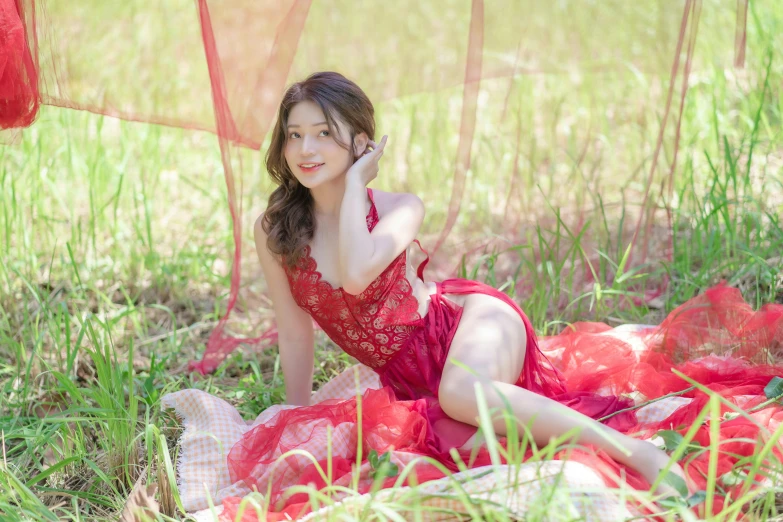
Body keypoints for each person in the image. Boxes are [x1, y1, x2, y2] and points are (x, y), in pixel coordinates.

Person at [248, 70, 687, 497]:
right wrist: (297, 416)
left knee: (461, 394)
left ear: (362, 144)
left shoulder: (401, 208)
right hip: (412, 383)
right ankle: (508, 416)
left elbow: (357, 274)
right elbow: (294, 331)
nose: (306, 148)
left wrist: (356, 186)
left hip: (469, 324)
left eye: (324, 133)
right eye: (294, 134)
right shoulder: (275, 230)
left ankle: (636, 455)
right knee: (449, 451)